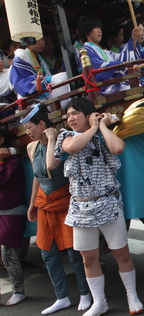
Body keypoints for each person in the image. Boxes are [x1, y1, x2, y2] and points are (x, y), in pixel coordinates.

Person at [54, 98, 143, 315]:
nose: (71, 118)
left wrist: (101, 125)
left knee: (121, 253)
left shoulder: (103, 136)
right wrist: (93, 127)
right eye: (68, 115)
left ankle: (132, 296)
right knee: (89, 258)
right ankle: (99, 302)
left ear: (88, 113)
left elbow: (118, 147)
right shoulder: (65, 135)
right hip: (80, 207)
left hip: (108, 202)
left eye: (75, 113)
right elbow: (72, 147)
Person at [22, 104, 91, 315]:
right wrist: (33, 203)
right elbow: (38, 176)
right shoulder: (31, 147)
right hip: (44, 202)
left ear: (41, 124)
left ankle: (85, 293)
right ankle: (61, 297)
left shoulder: (62, 139)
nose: (27, 132)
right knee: (47, 253)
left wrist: (51, 138)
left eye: (29, 127)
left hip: (64, 200)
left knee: (73, 251)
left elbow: (52, 165)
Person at [76, 14, 144, 94]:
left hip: (116, 84)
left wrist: (134, 39)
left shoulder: (103, 51)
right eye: (95, 27)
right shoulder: (85, 50)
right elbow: (99, 67)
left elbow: (121, 58)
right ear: (86, 30)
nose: (99, 31)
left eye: (100, 28)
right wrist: (124, 65)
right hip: (105, 88)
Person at [0, 128, 27, 306]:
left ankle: (19, 291)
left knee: (8, 253)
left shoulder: (13, 161)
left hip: (11, 211)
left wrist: (1, 162)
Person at [9, 36, 69, 106]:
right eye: (36, 40)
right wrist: (44, 81)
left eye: (42, 39)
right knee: (62, 77)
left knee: (64, 76)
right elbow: (21, 83)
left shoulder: (40, 59)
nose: (41, 43)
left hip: (45, 94)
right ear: (27, 41)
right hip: (30, 99)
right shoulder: (21, 56)